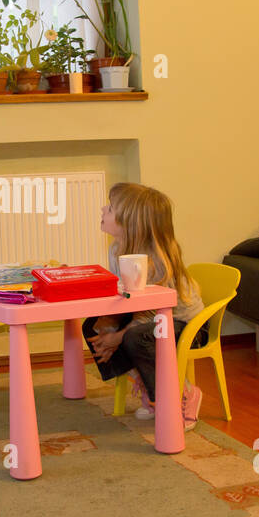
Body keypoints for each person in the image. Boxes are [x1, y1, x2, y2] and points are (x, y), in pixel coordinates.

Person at [84, 182, 207, 428]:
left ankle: (182, 393)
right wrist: (107, 330)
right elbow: (123, 298)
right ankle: (144, 378)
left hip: (184, 324)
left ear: (129, 222)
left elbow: (155, 311)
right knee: (90, 326)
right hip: (145, 317)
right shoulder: (116, 249)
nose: (102, 209)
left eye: (109, 208)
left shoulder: (156, 260)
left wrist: (118, 337)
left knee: (136, 338)